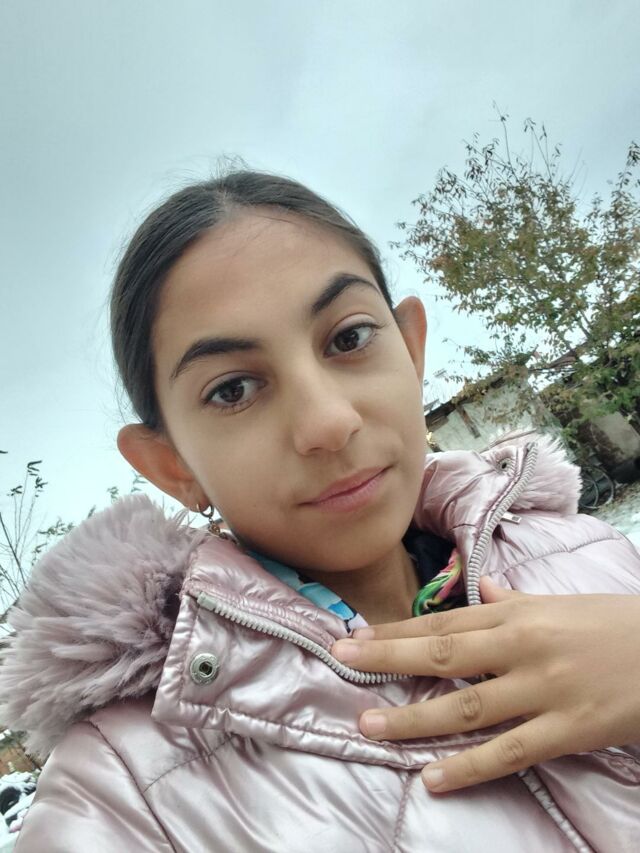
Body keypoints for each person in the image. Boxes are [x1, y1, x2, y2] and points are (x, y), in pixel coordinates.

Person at [1, 171, 639, 852]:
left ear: (412, 350)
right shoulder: (129, 790)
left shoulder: (591, 554)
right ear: (173, 465)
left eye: (349, 338)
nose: (328, 422)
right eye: (233, 389)